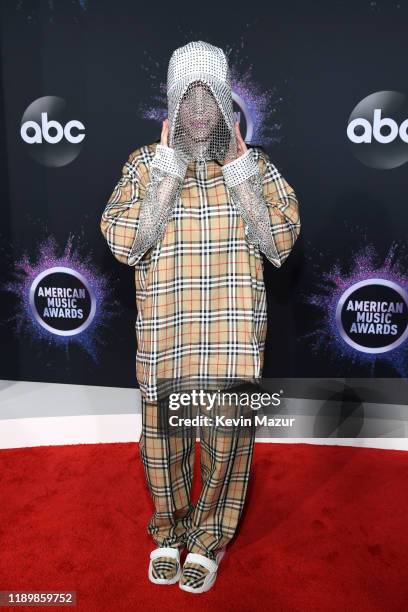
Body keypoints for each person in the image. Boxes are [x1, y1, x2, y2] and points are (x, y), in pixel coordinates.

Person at [100, 40, 301, 594]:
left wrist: (241, 179)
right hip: (168, 339)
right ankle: (168, 531)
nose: (196, 109)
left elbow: (280, 244)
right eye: (186, 96)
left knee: (227, 448)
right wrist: (167, 174)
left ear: (224, 101)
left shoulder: (253, 166)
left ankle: (209, 538)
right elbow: (123, 243)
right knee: (162, 446)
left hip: (231, 343)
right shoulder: (144, 164)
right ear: (170, 100)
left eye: (208, 95)